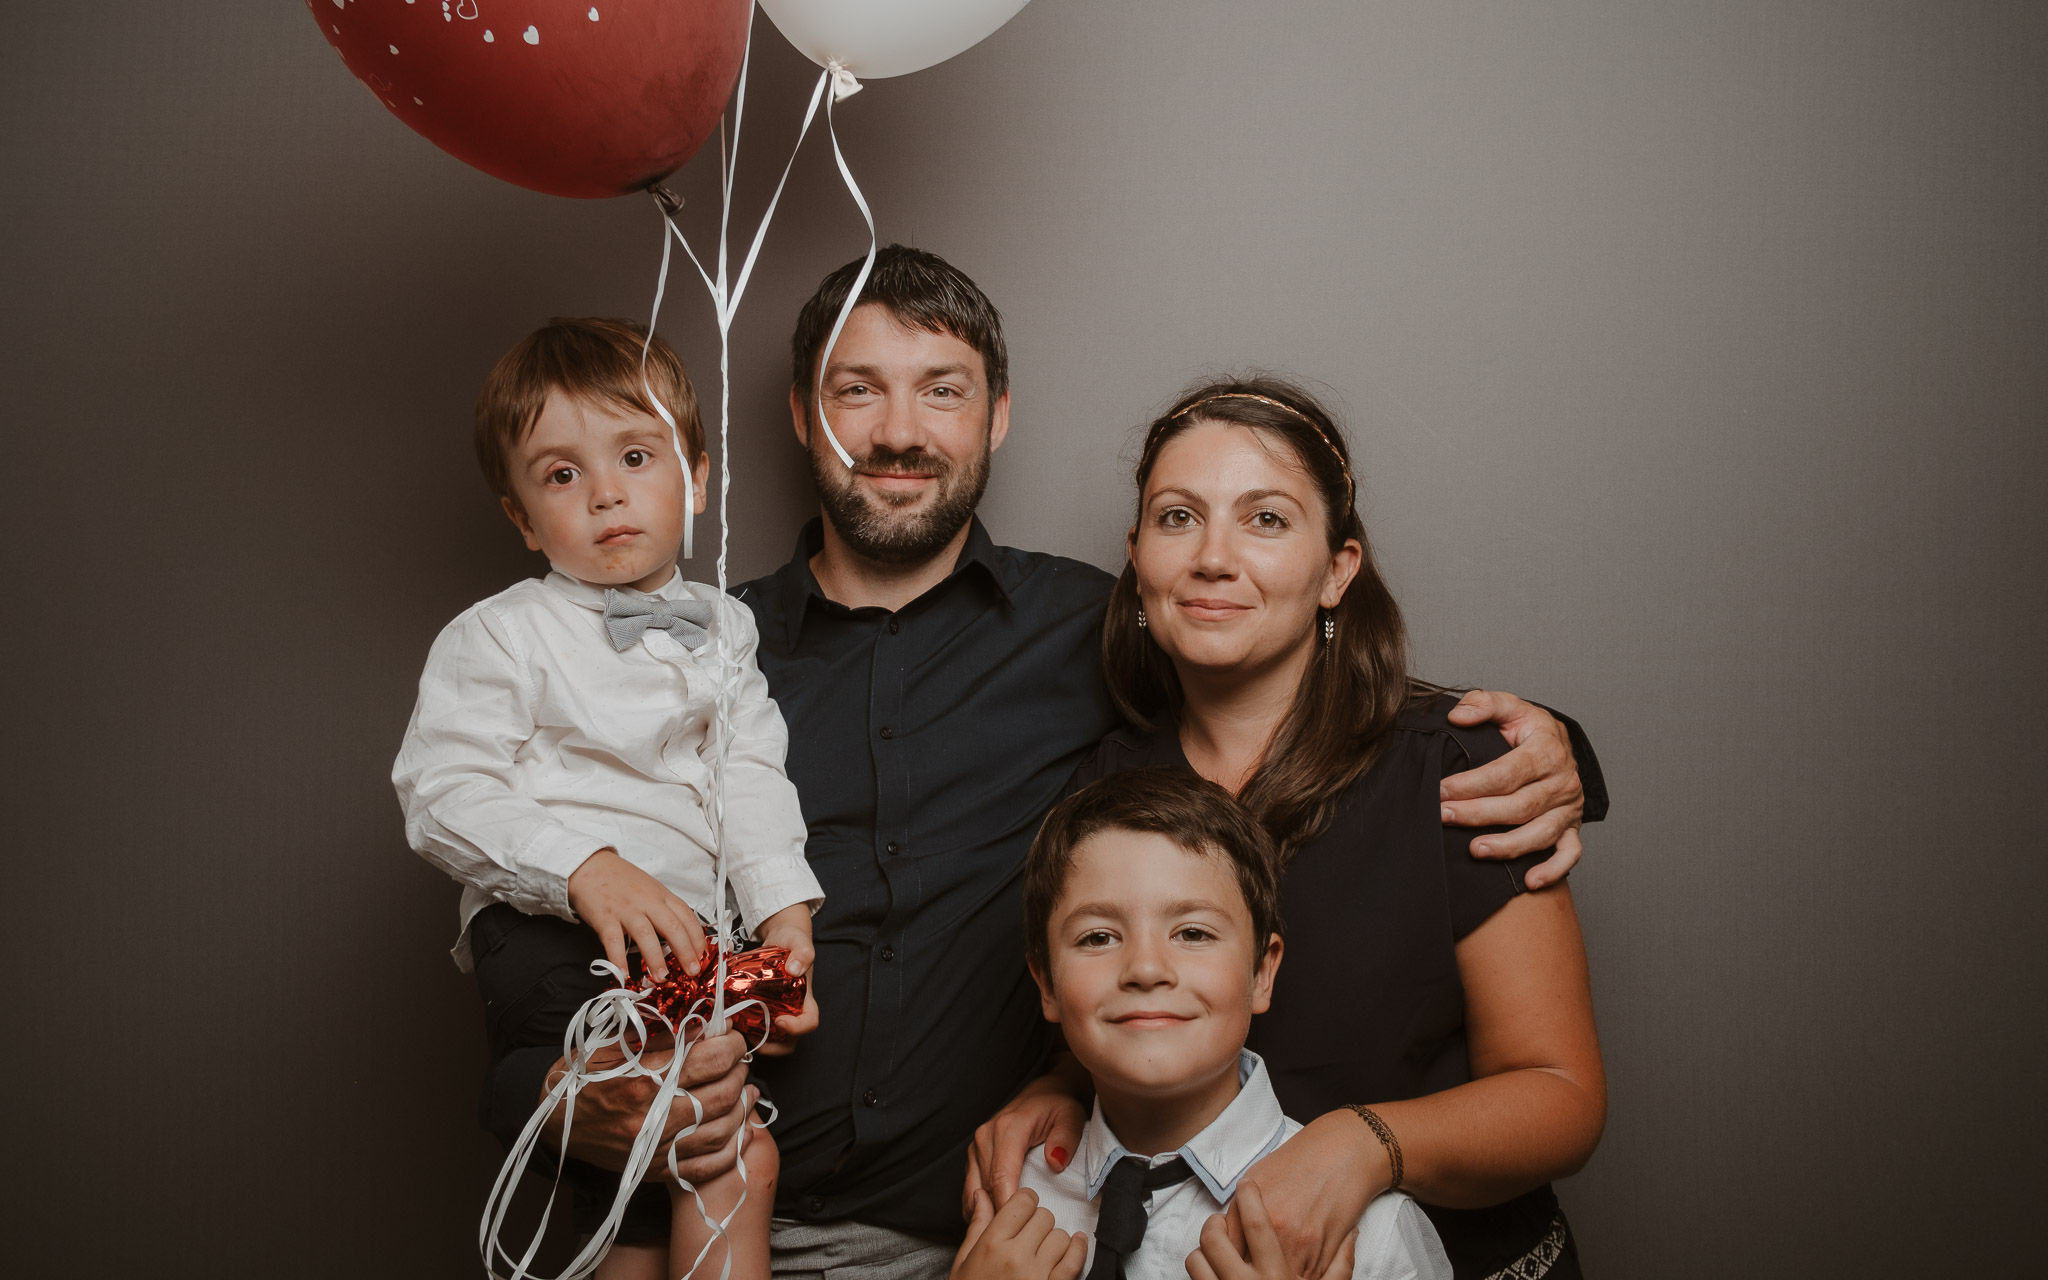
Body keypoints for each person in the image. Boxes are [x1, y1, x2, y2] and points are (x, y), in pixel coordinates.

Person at [475, 249, 1604, 1280]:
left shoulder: (1094, 637)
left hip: (985, 1237)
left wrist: (1557, 749)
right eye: (855, 388)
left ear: (997, 415)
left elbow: (1278, 663)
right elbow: (533, 884)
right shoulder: (699, 656)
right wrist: (545, 1088)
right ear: (798, 417)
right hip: (716, 1213)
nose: (898, 431)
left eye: (943, 388)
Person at [970, 379, 1607, 1279]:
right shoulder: (1105, 784)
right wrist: (1058, 1088)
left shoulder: (1462, 770)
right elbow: (1149, 1004)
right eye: (1178, 518)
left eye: (1265, 520)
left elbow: (1562, 1096)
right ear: (1137, 559)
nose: (1213, 558)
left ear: (1338, 568)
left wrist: (1365, 1145)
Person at [393, 317, 823, 1280]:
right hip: (548, 934)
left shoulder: (728, 630)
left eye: (636, 455)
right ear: (520, 516)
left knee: (701, 1168)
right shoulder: (498, 636)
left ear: (699, 476)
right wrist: (586, 871)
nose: (606, 493)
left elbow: (752, 773)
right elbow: (442, 791)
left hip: (693, 934)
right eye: (561, 475)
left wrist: (784, 918)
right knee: (670, 1149)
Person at [954, 766, 1450, 1280]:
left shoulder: (1368, 1231)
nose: (1146, 968)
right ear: (1047, 986)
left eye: (1193, 933)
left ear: (1261, 972)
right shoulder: (1011, 1200)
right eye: (1098, 937)